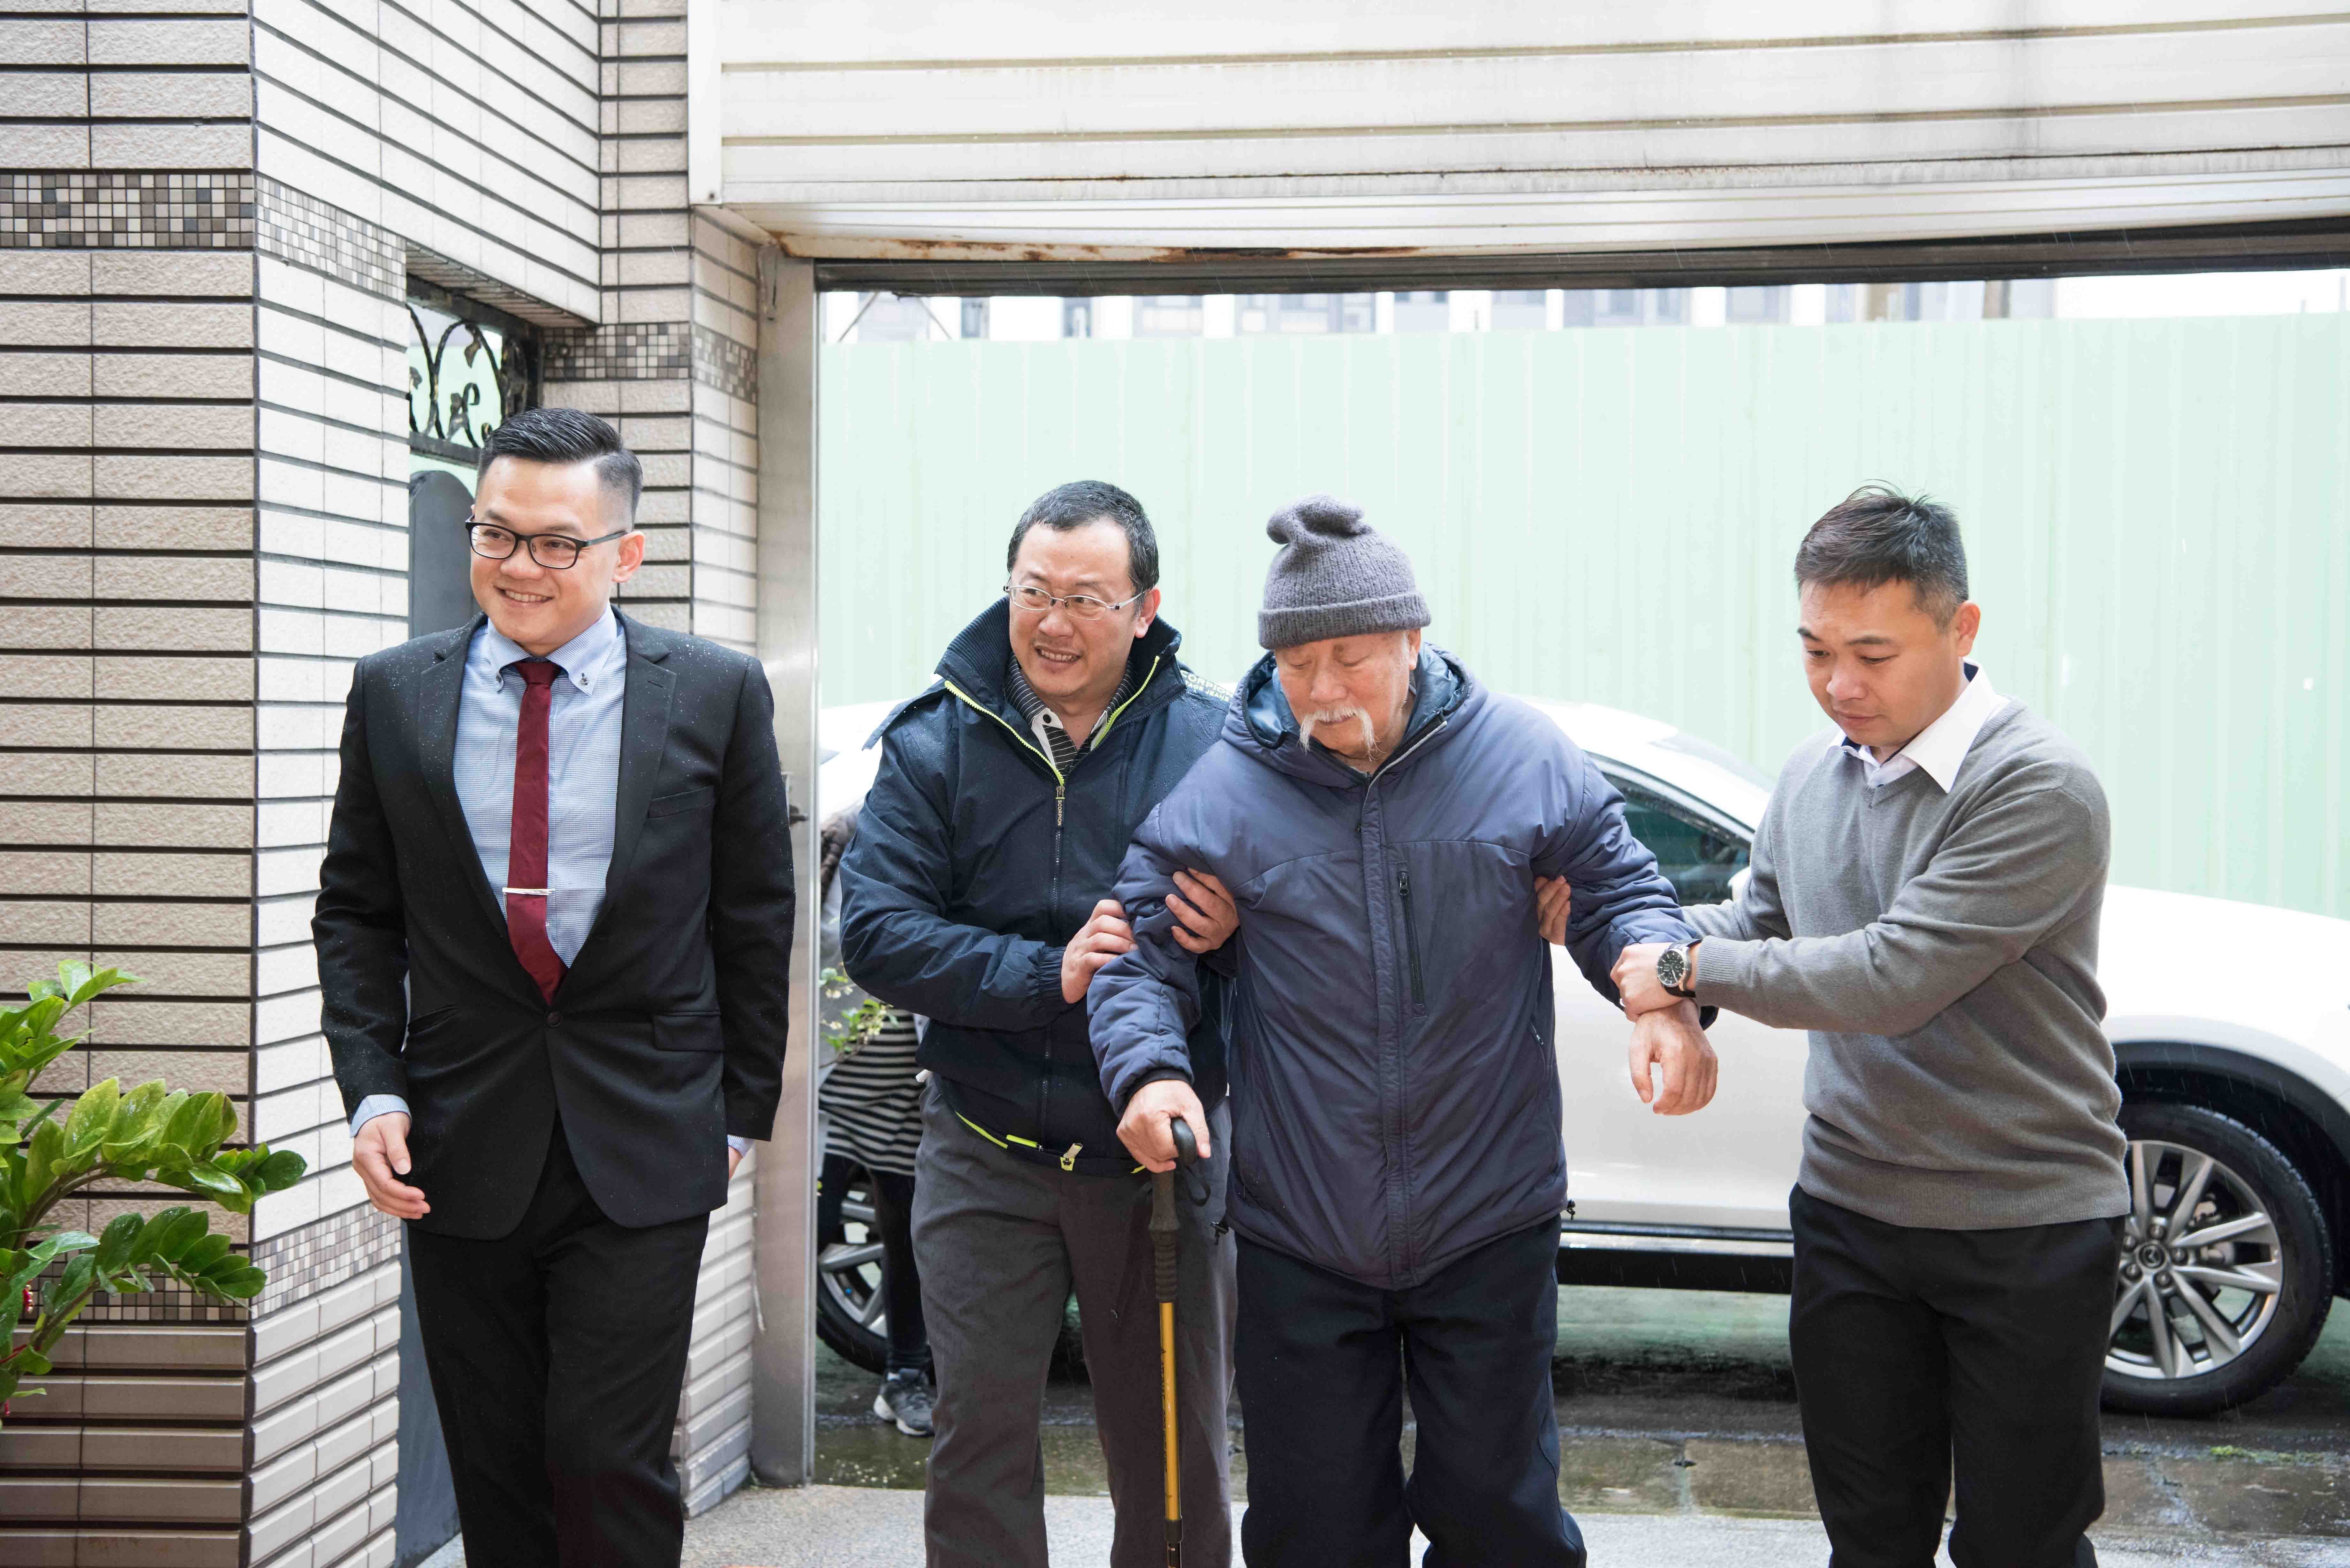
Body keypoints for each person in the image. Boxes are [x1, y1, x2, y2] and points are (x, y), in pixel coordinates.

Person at [1088, 495, 1717, 1568]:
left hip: (1489, 1212)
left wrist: (1660, 998)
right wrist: (1149, 1073)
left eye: (1350, 658)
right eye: (1297, 664)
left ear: (1413, 640)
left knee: (1500, 1518)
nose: (1323, 689)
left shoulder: (1521, 756)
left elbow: (1622, 889)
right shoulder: (1229, 790)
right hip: (1302, 1226)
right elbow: (1136, 951)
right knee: (1316, 1530)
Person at [1611, 486, 2127, 1568]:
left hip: (2024, 1226)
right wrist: (1634, 943)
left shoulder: (2039, 785)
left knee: (2021, 1545)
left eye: (1873, 655)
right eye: (1815, 651)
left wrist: (1683, 968)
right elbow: (1758, 925)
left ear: (1961, 628)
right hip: (1851, 1217)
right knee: (1870, 1540)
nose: (1839, 685)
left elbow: (1891, 976)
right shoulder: (1812, 773)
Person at [314, 407, 794, 1568]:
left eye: (557, 543)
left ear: (626, 553)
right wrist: (374, 1090)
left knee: (603, 1456)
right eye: (497, 534)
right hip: (462, 1136)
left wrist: (739, 1114)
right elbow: (357, 913)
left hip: (647, 1134)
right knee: (498, 1465)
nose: (519, 566)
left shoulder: (716, 692)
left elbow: (754, 915)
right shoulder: (395, 692)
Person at [838, 481, 1244, 1568]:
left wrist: (1235, 931)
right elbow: (875, 932)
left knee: (1172, 1453)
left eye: (1086, 599)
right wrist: (1046, 974)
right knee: (977, 1446)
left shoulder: (1217, 745)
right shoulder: (938, 740)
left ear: (1145, 608)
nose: (1054, 623)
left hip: (1155, 1160)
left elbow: (1300, 925)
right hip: (985, 1145)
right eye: (1034, 592)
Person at [815, 806, 934, 1436]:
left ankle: (903, 1376)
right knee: (811, 1230)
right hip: (831, 1092)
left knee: (904, 1238)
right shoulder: (843, 841)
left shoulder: (935, 840)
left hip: (905, 1091)